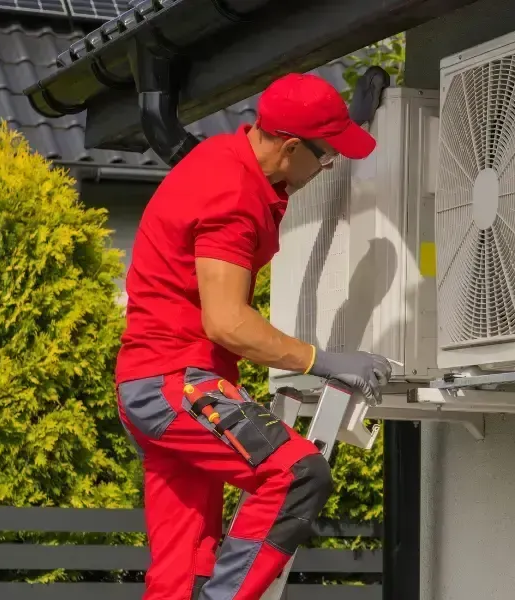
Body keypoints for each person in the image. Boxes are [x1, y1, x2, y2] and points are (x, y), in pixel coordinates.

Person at [113, 72, 393, 600]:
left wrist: (344, 126)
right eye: (326, 155)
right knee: (296, 475)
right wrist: (323, 359)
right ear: (291, 148)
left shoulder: (228, 158)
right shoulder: (232, 197)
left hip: (148, 385)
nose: (329, 165)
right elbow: (228, 323)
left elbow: (292, 160)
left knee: (183, 572)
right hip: (177, 385)